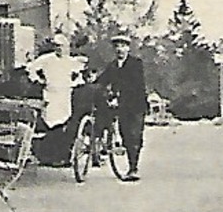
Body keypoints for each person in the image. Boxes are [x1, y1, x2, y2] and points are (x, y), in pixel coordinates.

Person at [90, 33, 148, 182]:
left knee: (135, 135)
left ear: (128, 48)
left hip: (136, 105)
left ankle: (134, 168)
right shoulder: (113, 66)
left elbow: (136, 85)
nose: (120, 49)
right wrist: (91, 82)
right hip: (121, 106)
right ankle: (129, 164)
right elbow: (102, 80)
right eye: (117, 46)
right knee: (125, 135)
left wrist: (119, 97)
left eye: (123, 46)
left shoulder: (136, 64)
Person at [27, 34, 86, 166]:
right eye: (57, 46)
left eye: (62, 46)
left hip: (65, 95)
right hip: (50, 94)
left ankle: (62, 156)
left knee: (64, 123)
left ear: (67, 47)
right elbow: (31, 68)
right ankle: (47, 156)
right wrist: (38, 80)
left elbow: (80, 75)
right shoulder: (47, 59)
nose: (59, 49)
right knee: (50, 123)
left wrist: (74, 83)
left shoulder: (70, 61)